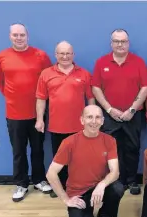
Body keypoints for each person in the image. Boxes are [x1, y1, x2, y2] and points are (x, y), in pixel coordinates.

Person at [46, 105, 125, 217]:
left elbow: (115, 172)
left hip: (100, 189)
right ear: (82, 120)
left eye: (97, 117)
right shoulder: (69, 142)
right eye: (89, 117)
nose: (94, 121)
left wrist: (101, 185)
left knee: (117, 188)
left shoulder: (109, 140)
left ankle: (105, 215)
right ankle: (87, 213)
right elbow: (51, 174)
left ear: (102, 121)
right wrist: (66, 199)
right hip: (79, 193)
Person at [0, 23, 53, 202]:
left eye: (22, 35)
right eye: (15, 35)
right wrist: (14, 98)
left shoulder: (40, 55)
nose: (19, 38)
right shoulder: (1, 57)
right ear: (10, 36)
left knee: (38, 150)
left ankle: (39, 180)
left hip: (38, 113)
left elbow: (48, 80)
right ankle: (21, 183)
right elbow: (0, 82)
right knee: (18, 151)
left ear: (27, 36)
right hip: (14, 114)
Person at [91, 29, 147, 195]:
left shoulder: (138, 62)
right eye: (116, 41)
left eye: (123, 41)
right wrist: (109, 109)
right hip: (109, 116)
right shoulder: (101, 62)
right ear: (111, 43)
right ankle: (116, 181)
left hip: (133, 114)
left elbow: (145, 87)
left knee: (132, 147)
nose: (120, 44)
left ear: (128, 43)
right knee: (112, 149)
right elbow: (95, 88)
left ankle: (131, 181)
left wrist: (132, 109)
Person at [35, 41, 95, 198]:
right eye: (61, 53)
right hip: (57, 126)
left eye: (68, 53)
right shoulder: (46, 74)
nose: (65, 56)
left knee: (79, 159)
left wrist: (92, 120)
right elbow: (41, 98)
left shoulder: (84, 73)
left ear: (73, 55)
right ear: (56, 55)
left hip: (79, 127)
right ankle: (59, 186)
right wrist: (40, 119)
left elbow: (90, 98)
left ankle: (78, 186)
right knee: (59, 158)